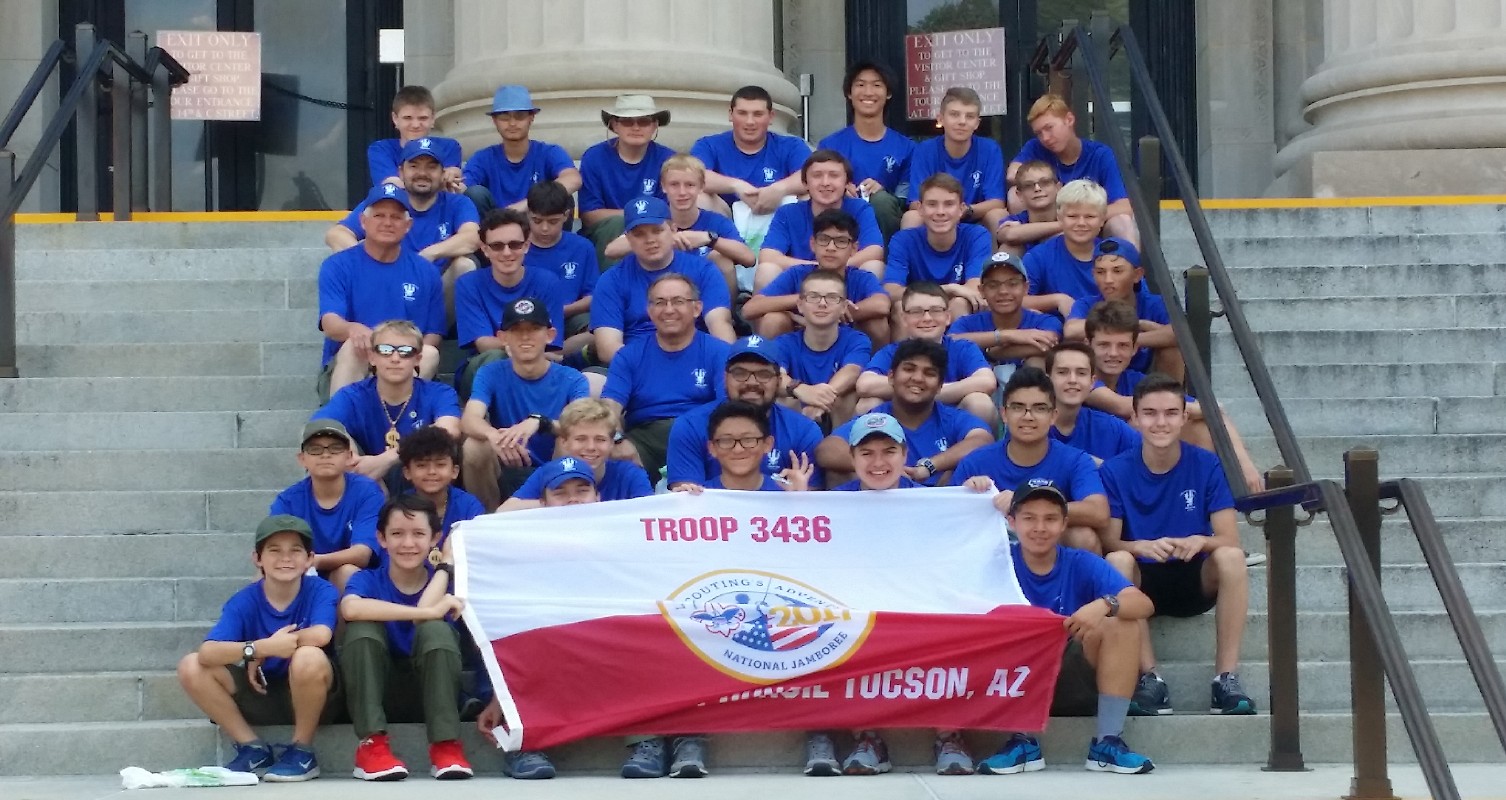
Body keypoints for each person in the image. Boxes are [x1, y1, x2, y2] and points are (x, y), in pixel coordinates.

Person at [969, 482, 1155, 775]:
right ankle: (1021, 740)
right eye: (1029, 518)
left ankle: (1108, 742)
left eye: (1050, 519)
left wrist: (1104, 604)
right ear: (1012, 522)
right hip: (1016, 676)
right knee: (1006, 627)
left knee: (1123, 623)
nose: (1040, 528)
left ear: (1064, 524)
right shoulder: (998, 563)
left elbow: (1143, 604)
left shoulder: (1080, 561)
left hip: (1073, 675)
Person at [1099, 374, 1255, 718]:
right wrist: (1139, 546)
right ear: (1134, 418)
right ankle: (1150, 678)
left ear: (1185, 418)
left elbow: (1229, 537)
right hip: (1142, 583)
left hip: (1193, 575)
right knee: (1117, 559)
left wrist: (1201, 540)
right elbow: (1110, 540)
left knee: (1231, 557)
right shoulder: (1114, 470)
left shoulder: (1206, 463)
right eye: (1150, 413)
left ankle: (1226, 679)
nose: (1161, 422)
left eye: (1171, 413)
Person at [175, 515, 338, 782]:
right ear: (257, 558)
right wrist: (259, 649)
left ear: (309, 559)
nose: (285, 558)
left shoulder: (320, 590)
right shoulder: (245, 600)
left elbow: (321, 634)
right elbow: (208, 652)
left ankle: (302, 751)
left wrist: (275, 647)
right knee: (191, 665)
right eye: (274, 550)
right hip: (263, 690)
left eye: (295, 550)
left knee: (308, 656)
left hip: (315, 694)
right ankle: (253, 749)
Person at [475, 457, 606, 779]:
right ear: (543, 503)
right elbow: (505, 632)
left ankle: (646, 739)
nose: (573, 500)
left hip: (604, 653)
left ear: (598, 498)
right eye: (561, 493)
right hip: (552, 654)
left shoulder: (625, 546)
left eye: (582, 491)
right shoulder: (521, 554)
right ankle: (526, 743)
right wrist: (500, 697)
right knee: (529, 624)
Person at [340, 495, 471, 781]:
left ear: (435, 538)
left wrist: (445, 566)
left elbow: (424, 617)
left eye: (419, 534)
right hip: (378, 692)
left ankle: (446, 745)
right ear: (381, 538)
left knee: (435, 629)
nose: (408, 543)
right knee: (362, 630)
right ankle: (372, 746)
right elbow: (350, 608)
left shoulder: (449, 582)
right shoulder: (368, 579)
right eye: (397, 534)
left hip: (434, 692)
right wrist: (427, 611)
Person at [1083, 301, 1263, 492]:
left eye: (1122, 345)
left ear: (1135, 348)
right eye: (1104, 345)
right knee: (1144, 421)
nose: (1113, 353)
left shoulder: (1135, 380)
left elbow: (1217, 415)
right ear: (1088, 345)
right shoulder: (1081, 378)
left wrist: (1245, 465)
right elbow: (1120, 405)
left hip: (1139, 465)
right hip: (1096, 465)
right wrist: (1196, 409)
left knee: (1200, 427)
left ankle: (1195, 496)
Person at [953, 367, 1109, 553]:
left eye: (1039, 408)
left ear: (1053, 416)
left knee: (1083, 536)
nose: (1028, 416)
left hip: (1048, 551)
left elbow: (1098, 512)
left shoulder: (1075, 460)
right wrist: (967, 496)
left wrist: (1026, 504)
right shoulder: (976, 462)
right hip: (988, 551)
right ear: (1004, 414)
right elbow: (948, 518)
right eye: (1018, 407)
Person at [328, 140, 481, 324]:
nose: (422, 173)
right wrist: (367, 264)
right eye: (414, 166)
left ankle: (434, 331)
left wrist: (428, 255)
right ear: (401, 172)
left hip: (432, 292)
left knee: (465, 265)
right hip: (386, 287)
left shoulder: (457, 203)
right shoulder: (385, 202)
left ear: (442, 173)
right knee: (358, 251)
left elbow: (472, 237)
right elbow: (336, 234)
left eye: (431, 167)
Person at [460, 297, 590, 509]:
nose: (525, 337)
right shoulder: (490, 372)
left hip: (555, 465)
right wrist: (494, 436)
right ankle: (487, 518)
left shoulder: (573, 378)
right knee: (474, 446)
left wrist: (541, 423)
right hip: (507, 461)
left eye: (534, 328)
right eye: (516, 330)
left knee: (568, 440)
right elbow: (469, 418)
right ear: (503, 338)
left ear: (550, 335)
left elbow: (582, 429)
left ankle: (564, 513)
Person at [602, 273, 733, 481]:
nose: (669, 310)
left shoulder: (720, 352)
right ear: (649, 311)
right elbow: (610, 408)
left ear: (697, 308)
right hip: (646, 440)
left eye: (678, 301)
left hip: (702, 435)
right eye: (660, 302)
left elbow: (728, 408)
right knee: (608, 460)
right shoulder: (629, 355)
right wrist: (618, 440)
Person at [317, 186, 443, 399]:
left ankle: (398, 414)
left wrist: (399, 356)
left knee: (429, 353)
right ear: (363, 222)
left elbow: (433, 334)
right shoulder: (338, 265)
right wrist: (352, 328)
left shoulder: (426, 271)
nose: (387, 222)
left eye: (396, 217)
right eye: (379, 216)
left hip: (403, 364)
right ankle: (340, 417)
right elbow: (330, 323)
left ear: (408, 225)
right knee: (353, 345)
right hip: (354, 361)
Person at [819, 339, 992, 487]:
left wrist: (931, 466)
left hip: (938, 505)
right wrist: (889, 469)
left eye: (929, 373)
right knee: (839, 471)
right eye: (909, 369)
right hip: (886, 502)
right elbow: (827, 449)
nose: (917, 378)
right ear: (891, 377)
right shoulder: (876, 418)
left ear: (940, 385)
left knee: (965, 469)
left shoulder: (950, 418)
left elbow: (982, 440)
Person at [313, 320, 462, 491]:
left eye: (405, 352)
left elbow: (449, 429)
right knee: (330, 440)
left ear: (417, 359)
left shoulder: (439, 393)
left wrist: (387, 459)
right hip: (369, 483)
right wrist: (352, 462)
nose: (395, 358)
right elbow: (318, 426)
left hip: (423, 481)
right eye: (385, 350)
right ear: (372, 357)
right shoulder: (352, 395)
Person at [666, 335, 824, 490]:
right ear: (725, 378)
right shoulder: (690, 426)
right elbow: (687, 499)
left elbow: (811, 501)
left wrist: (799, 498)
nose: (751, 382)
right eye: (740, 373)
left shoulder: (803, 430)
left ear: (779, 381)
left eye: (763, 374)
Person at [591, 197, 737, 364]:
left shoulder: (703, 270)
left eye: (657, 231)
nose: (650, 240)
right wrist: (655, 366)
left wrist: (728, 363)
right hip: (637, 363)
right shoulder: (611, 280)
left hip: (697, 359)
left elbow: (720, 327)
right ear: (628, 239)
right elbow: (608, 347)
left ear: (673, 230)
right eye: (639, 234)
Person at [604, 154, 755, 301]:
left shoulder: (716, 221)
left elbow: (749, 259)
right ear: (663, 186)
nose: (682, 192)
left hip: (705, 292)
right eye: (674, 185)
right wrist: (664, 238)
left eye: (690, 185)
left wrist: (709, 239)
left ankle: (726, 314)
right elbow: (611, 250)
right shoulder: (654, 217)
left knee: (721, 258)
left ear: (701, 187)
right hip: (661, 292)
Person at [453, 209, 568, 396]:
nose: (507, 253)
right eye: (497, 246)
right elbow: (483, 344)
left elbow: (551, 344)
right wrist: (527, 345)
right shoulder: (468, 284)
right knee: (495, 357)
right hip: (482, 369)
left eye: (515, 245)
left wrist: (515, 346)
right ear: (485, 250)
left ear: (526, 246)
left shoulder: (548, 282)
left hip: (537, 365)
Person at [742, 209, 891, 346]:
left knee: (877, 323)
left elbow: (882, 304)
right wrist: (805, 300)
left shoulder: (860, 278)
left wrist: (834, 313)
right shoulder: (796, 274)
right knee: (773, 320)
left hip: (846, 346)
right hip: (799, 345)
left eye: (840, 241)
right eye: (824, 239)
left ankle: (876, 366)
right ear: (813, 244)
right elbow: (749, 309)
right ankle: (773, 365)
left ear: (854, 248)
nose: (831, 248)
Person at [855, 282, 997, 426]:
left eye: (936, 310)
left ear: (948, 317)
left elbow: (986, 381)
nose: (927, 318)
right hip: (899, 425)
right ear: (904, 319)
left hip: (951, 423)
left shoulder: (962, 348)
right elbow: (865, 385)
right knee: (868, 403)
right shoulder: (893, 351)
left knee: (979, 402)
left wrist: (929, 392)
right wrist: (926, 390)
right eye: (916, 311)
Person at [269, 419, 383, 590]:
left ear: (349, 456)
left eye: (335, 448)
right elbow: (276, 551)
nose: (325, 455)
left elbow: (362, 554)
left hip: (355, 579)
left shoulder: (367, 492)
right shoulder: (288, 501)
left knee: (347, 573)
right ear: (302, 459)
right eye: (315, 449)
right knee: (264, 577)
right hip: (301, 575)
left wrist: (316, 561)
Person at [1008, 94, 1137, 245]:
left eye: (1049, 128)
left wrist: (1080, 218)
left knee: (1122, 221)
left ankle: (1127, 261)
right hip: (1047, 226)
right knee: (1015, 194)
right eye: (1039, 133)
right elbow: (1012, 175)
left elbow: (1124, 206)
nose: (1045, 138)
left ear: (1069, 120)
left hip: (1093, 229)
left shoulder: (1100, 154)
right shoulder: (1035, 147)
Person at [754, 150, 886, 287]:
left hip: (845, 281)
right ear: (805, 183)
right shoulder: (788, 212)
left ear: (847, 183)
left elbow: (874, 251)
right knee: (767, 270)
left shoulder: (860, 208)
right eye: (817, 176)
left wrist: (832, 268)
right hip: (800, 281)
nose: (825, 182)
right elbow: (768, 255)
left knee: (874, 266)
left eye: (834, 175)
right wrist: (817, 268)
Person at [498, 398, 654, 510]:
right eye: (581, 439)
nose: (591, 447)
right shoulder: (549, 472)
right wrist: (559, 504)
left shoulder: (629, 474)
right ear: (564, 442)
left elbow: (652, 512)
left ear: (612, 443)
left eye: (600, 439)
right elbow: (504, 511)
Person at [817, 60, 913, 241]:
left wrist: (883, 192)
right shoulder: (830, 144)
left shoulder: (906, 147)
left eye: (877, 85)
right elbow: (816, 187)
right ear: (849, 93)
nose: (868, 92)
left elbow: (906, 197)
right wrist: (839, 189)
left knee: (881, 202)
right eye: (860, 85)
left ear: (888, 93)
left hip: (886, 225)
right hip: (840, 221)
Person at [578, 94, 676, 266]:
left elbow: (670, 212)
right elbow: (589, 215)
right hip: (605, 234)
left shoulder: (668, 159)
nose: (636, 127)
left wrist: (640, 222)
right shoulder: (594, 157)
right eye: (627, 121)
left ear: (654, 125)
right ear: (614, 125)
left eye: (644, 121)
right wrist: (636, 217)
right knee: (617, 224)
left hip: (654, 232)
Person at [1064, 237, 1182, 380]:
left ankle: (1168, 392)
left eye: (1117, 271)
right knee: (1077, 344)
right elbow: (1071, 330)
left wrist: (1132, 341)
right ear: (1093, 275)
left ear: (1137, 275)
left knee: (1172, 349)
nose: (1108, 280)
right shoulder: (1086, 304)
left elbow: (1179, 334)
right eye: (1101, 272)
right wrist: (1133, 328)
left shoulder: (1154, 303)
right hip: (1100, 376)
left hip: (1148, 376)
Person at [883, 173, 994, 320]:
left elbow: (974, 289)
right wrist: (948, 289)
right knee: (900, 308)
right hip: (919, 313)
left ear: (961, 209)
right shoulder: (903, 240)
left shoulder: (976, 236)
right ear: (920, 209)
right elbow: (891, 291)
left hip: (956, 309)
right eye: (932, 204)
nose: (940, 212)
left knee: (960, 303)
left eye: (949, 204)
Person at [772, 269, 874, 427]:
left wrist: (818, 399)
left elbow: (852, 371)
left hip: (836, 415)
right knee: (782, 397)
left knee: (846, 396)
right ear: (800, 305)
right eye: (813, 297)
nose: (822, 304)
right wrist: (802, 390)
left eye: (832, 297)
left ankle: (839, 441)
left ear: (844, 307)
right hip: (798, 415)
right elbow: (776, 377)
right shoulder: (784, 343)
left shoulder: (856, 340)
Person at [690, 85, 811, 215]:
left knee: (810, 196)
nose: (750, 122)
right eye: (742, 113)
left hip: (780, 217)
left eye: (758, 114)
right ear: (731, 114)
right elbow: (694, 176)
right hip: (725, 219)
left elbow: (811, 176)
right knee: (697, 197)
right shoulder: (708, 145)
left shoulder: (791, 145)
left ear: (771, 117)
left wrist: (779, 189)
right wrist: (736, 186)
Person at [461, 85, 581, 215]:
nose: (512, 123)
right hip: (495, 224)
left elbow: (573, 179)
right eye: (504, 117)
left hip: (539, 222)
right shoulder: (482, 158)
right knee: (475, 194)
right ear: (494, 120)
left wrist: (524, 205)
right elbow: (464, 188)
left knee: (562, 195)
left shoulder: (549, 152)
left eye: (520, 116)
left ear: (531, 117)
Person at [901, 87, 1006, 231]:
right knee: (912, 217)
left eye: (970, 116)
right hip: (935, 219)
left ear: (977, 123)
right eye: (954, 114)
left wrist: (965, 210)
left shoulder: (990, 149)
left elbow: (997, 202)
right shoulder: (925, 150)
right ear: (941, 119)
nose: (962, 121)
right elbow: (915, 203)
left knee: (998, 215)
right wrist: (944, 212)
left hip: (974, 220)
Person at [947, 251, 1062, 372]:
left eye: (1012, 284)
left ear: (1026, 288)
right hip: (980, 382)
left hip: (1026, 382)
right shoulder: (968, 323)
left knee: (1036, 361)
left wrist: (994, 352)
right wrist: (1005, 336)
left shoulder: (1043, 321)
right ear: (982, 291)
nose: (1003, 291)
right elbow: (951, 342)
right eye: (993, 285)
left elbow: (1048, 344)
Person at [671, 400, 815, 492]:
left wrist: (801, 501)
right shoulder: (698, 497)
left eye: (748, 439)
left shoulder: (787, 494)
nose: (738, 449)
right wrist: (681, 505)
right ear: (712, 448)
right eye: (726, 440)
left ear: (767, 444)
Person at [521, 181, 598, 352]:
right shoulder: (516, 247)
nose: (544, 228)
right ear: (528, 215)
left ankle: (556, 355)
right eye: (537, 221)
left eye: (553, 221)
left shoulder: (582, 247)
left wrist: (561, 310)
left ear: (566, 215)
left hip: (569, 316)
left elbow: (592, 296)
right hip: (524, 319)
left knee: (597, 329)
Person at [1022, 179, 1111, 319]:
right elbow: (1017, 300)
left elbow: (1139, 298)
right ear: (1059, 218)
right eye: (1072, 216)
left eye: (1090, 216)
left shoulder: (1116, 256)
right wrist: (1056, 300)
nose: (1081, 223)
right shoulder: (1038, 257)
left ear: (1102, 219)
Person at [1046, 342, 1141, 462]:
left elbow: (1150, 455)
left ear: (1092, 382)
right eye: (1062, 372)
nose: (1072, 380)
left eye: (1081, 373)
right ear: (1047, 380)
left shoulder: (1110, 427)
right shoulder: (1030, 424)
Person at [398, 426, 485, 548]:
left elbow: (477, 548)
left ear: (454, 471)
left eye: (440, 464)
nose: (432, 472)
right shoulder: (398, 509)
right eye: (422, 465)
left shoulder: (469, 506)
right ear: (407, 472)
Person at [368, 85, 462, 191]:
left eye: (423, 118)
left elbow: (450, 186)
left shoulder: (449, 147)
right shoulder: (381, 149)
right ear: (395, 119)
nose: (415, 125)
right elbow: (392, 186)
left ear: (432, 119)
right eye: (408, 118)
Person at [996, 159, 1062, 254]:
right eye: (1028, 185)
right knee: (1008, 248)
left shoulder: (1070, 215)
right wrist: (1064, 226)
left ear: (1058, 187)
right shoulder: (1014, 219)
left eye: (1045, 182)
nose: (1037, 189)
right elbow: (1009, 235)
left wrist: (1023, 230)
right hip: (1026, 262)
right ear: (1019, 195)